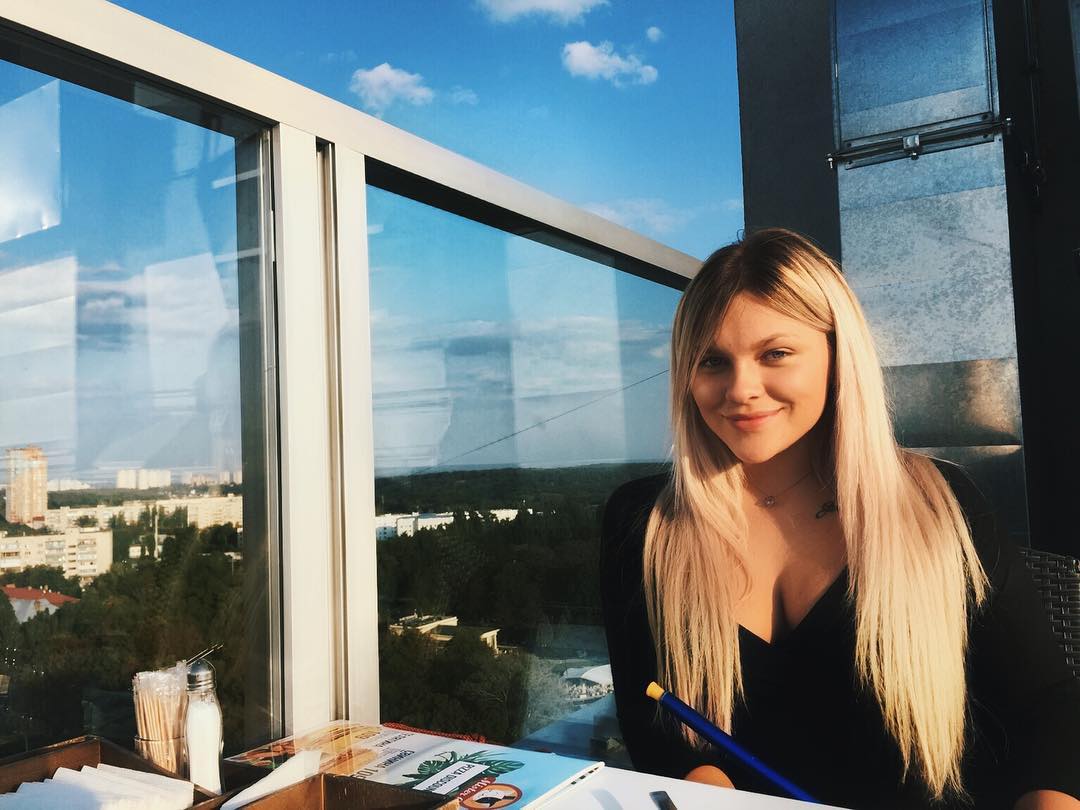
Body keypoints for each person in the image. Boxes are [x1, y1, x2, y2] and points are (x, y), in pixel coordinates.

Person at [600, 228, 1080, 809]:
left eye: (775, 354)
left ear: (837, 356)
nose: (740, 389)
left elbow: (1045, 707)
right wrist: (706, 790)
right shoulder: (645, 524)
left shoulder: (939, 506)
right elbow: (653, 718)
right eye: (712, 361)